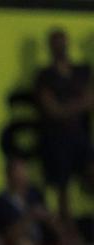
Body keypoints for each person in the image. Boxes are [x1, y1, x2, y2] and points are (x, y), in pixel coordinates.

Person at [34, 29, 92, 220]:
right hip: (58, 138)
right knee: (62, 187)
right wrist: (78, 106)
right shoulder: (45, 76)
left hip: (80, 136)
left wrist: (66, 108)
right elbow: (53, 110)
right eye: (56, 44)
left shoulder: (82, 71)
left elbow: (89, 100)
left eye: (63, 43)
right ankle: (68, 230)